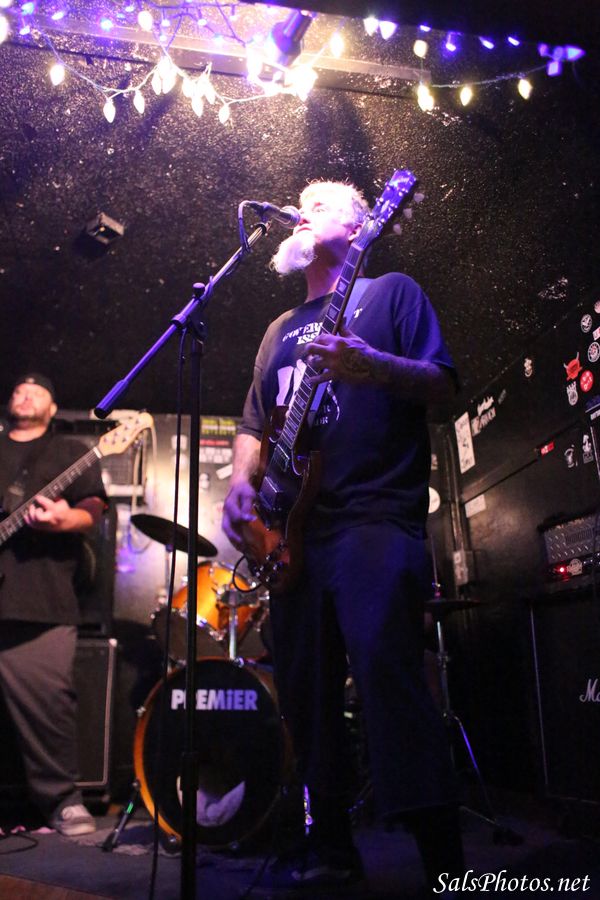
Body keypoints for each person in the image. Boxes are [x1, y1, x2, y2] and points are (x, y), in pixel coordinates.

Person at [222, 180, 465, 894]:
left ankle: (445, 870)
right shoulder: (277, 330)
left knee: (391, 683)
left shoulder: (391, 293)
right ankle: (330, 847)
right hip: (295, 537)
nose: (302, 210)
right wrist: (240, 483)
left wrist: (371, 365)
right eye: (301, 204)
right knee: (306, 699)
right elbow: (252, 423)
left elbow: (442, 382)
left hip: (373, 517)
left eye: (322, 205)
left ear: (361, 227)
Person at [0, 374, 106, 837]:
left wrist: (66, 519)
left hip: (39, 600)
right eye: (18, 389)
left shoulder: (69, 452)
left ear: (53, 407)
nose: (25, 393)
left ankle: (63, 800)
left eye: (37, 390)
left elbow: (93, 510)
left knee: (49, 707)